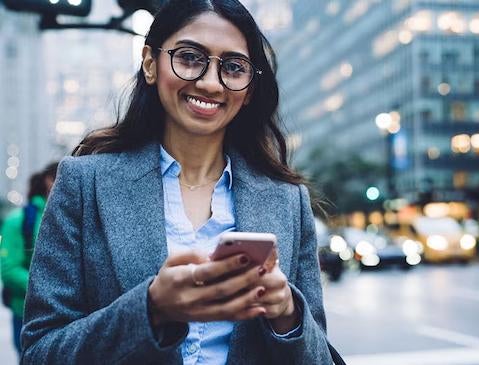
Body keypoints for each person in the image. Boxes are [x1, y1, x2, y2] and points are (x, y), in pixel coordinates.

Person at [21, 1, 332, 364]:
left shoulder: (288, 200)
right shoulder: (83, 184)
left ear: (248, 89)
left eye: (233, 67)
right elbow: (40, 353)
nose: (210, 82)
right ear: (150, 63)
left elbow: (320, 356)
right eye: (189, 57)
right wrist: (151, 309)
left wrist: (287, 315)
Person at [0, 162, 58, 356]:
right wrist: (47, 289)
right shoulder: (19, 220)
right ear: (48, 181)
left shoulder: (66, 215)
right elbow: (8, 269)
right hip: (26, 312)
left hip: (63, 313)